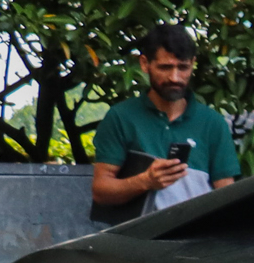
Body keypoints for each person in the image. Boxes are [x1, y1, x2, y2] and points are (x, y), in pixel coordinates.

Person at [91, 23, 241, 218]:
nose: (174, 77)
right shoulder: (121, 117)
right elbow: (100, 190)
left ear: (193, 64)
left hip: (199, 233)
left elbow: (226, 195)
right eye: (165, 67)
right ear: (145, 64)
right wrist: (145, 181)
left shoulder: (212, 123)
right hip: (141, 235)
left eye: (183, 67)